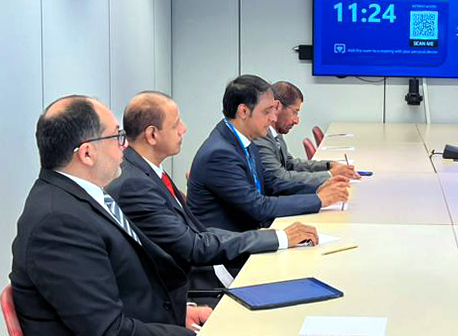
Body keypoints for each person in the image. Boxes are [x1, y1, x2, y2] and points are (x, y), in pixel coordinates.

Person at [10, 95, 209, 336]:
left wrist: (179, 315)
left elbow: (119, 289)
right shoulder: (58, 222)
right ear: (87, 153)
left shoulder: (81, 198)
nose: (124, 146)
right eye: (117, 136)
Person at [107, 91, 319, 290]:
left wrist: (270, 237)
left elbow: (197, 232)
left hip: (208, 263)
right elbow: (193, 246)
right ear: (152, 135)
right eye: (175, 124)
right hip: (191, 286)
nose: (183, 129)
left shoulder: (148, 171)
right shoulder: (134, 185)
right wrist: (277, 238)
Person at [187, 74, 349, 232]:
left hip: (250, 231)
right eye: (267, 111)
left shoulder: (244, 139)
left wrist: (318, 188)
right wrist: (318, 200)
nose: (273, 118)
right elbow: (258, 207)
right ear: (243, 111)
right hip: (230, 242)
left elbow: (273, 183)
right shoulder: (220, 154)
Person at [254, 81, 360, 187]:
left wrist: (329, 165)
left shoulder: (275, 132)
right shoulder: (261, 137)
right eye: (295, 112)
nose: (296, 121)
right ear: (278, 106)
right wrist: (330, 174)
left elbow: (290, 164)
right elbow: (280, 178)